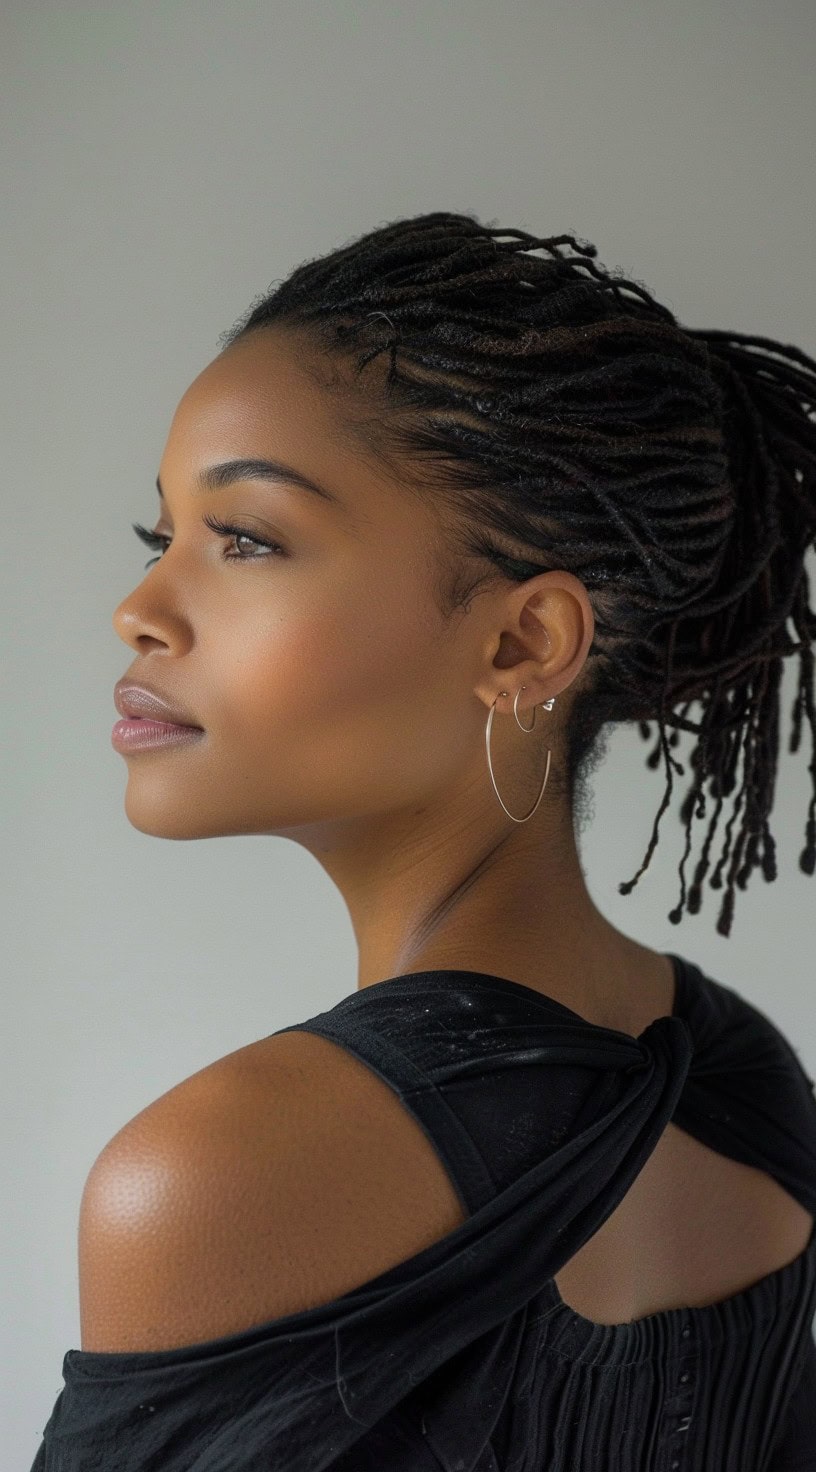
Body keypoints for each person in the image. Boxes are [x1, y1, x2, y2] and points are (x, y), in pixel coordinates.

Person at [31, 212, 816, 1469]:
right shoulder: (751, 1083)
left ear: (522, 643)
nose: (140, 608)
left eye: (246, 539)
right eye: (161, 533)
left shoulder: (210, 1175)